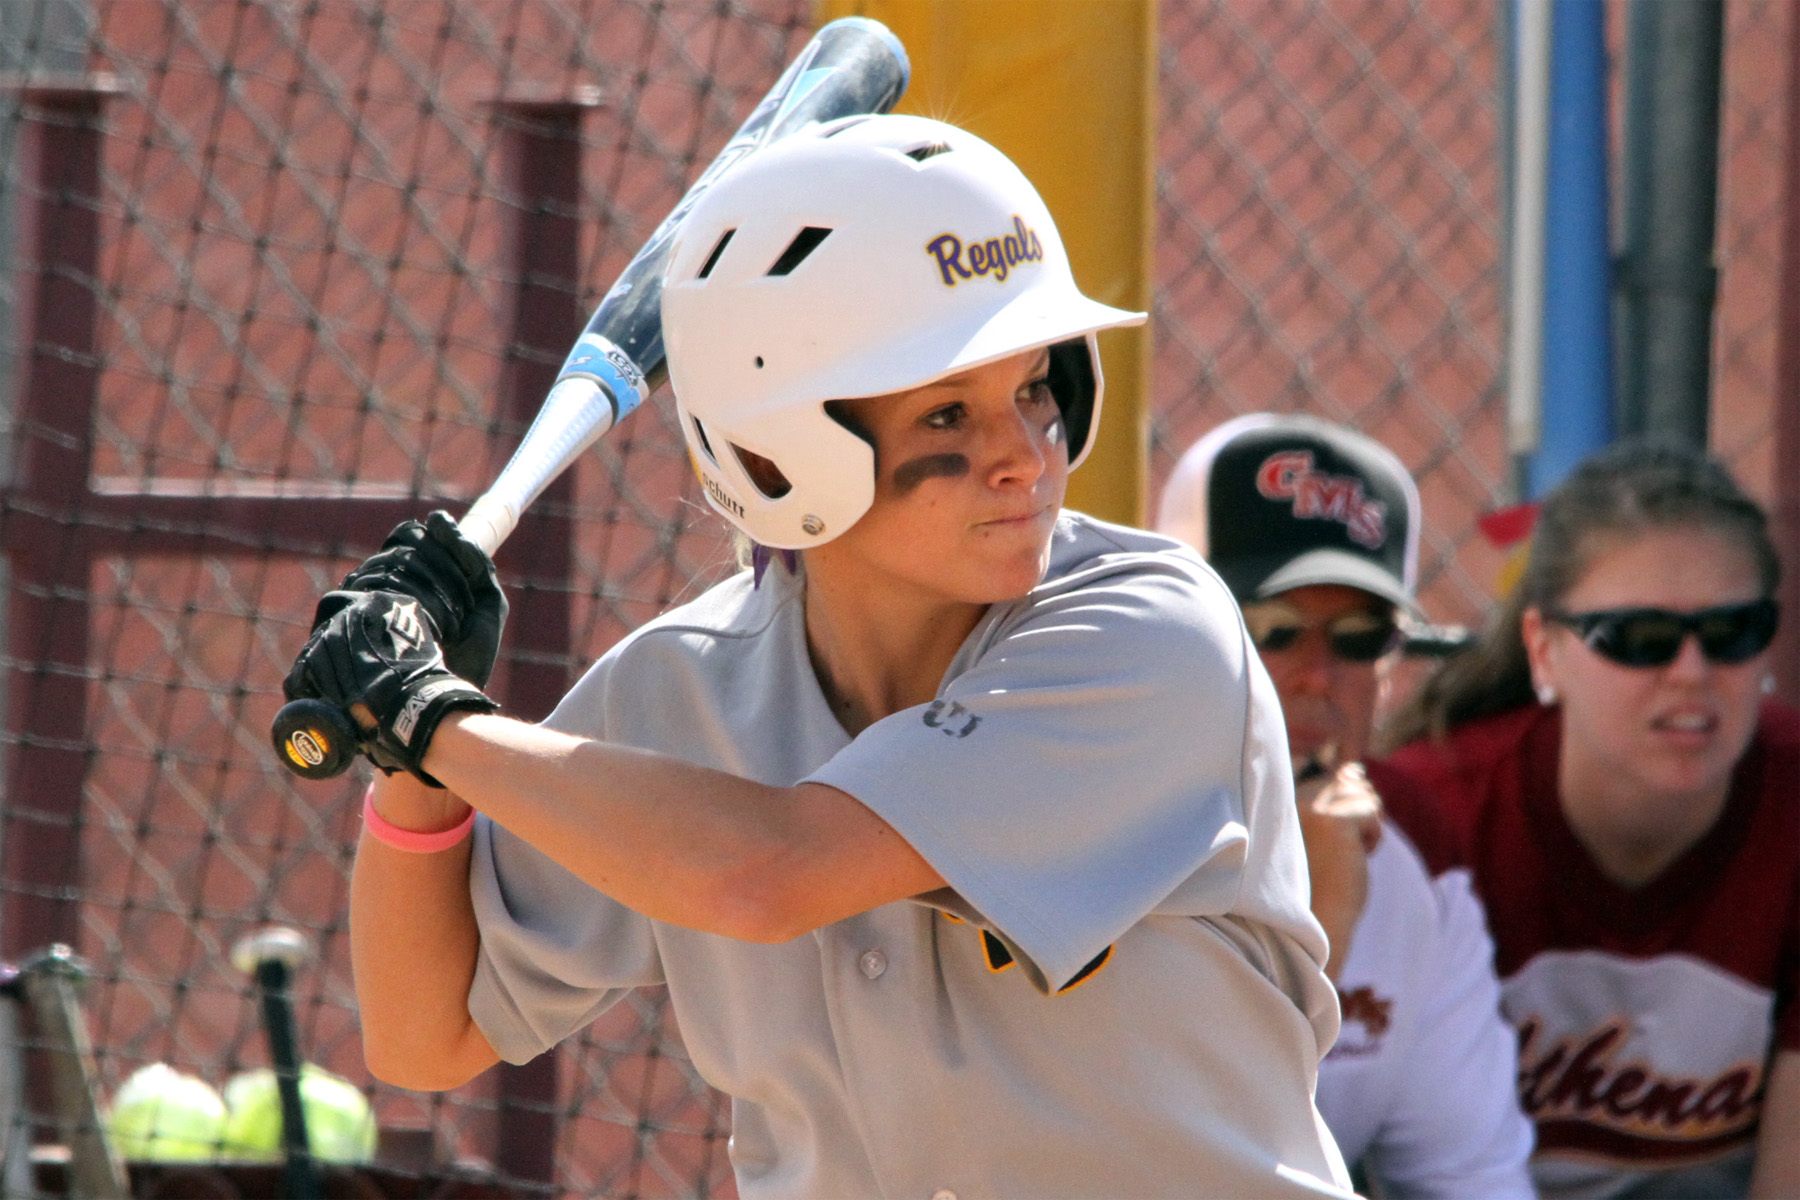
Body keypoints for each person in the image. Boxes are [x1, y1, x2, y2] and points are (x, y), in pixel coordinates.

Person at [284, 114, 1355, 1198]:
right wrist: (412, 766)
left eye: (1034, 386)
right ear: (772, 450)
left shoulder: (1148, 633)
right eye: (949, 410)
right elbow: (427, 1037)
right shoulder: (679, 690)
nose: (1023, 455)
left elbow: (772, 874)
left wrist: (433, 717)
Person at [1370, 439, 1798, 1200]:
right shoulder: (1432, 820)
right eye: (1640, 639)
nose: (1692, 672)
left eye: (1732, 631)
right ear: (1545, 650)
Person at [1157, 413, 1537, 1198]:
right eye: (1274, 628)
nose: (1318, 674)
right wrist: (1324, 918)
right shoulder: (1078, 821)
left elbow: (1472, 1180)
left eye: (1361, 637)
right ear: (1170, 626)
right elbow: (1165, 1161)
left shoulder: (1413, 853)